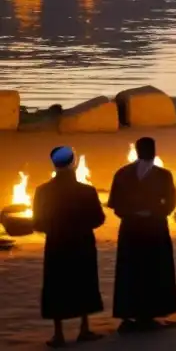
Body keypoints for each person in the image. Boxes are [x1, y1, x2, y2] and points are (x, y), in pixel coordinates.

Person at [32, 146, 105, 348]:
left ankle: (58, 334)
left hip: (56, 244)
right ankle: (84, 328)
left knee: (57, 285)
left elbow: (37, 222)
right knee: (84, 283)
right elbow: (99, 219)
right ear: (73, 163)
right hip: (82, 244)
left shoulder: (42, 191)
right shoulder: (87, 191)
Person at [107, 136, 176, 333]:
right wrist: (154, 212)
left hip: (130, 229)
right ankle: (150, 315)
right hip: (154, 229)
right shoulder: (163, 175)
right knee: (154, 270)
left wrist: (131, 213)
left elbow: (114, 204)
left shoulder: (122, 173)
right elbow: (171, 203)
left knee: (130, 271)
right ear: (154, 152)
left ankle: (129, 314)